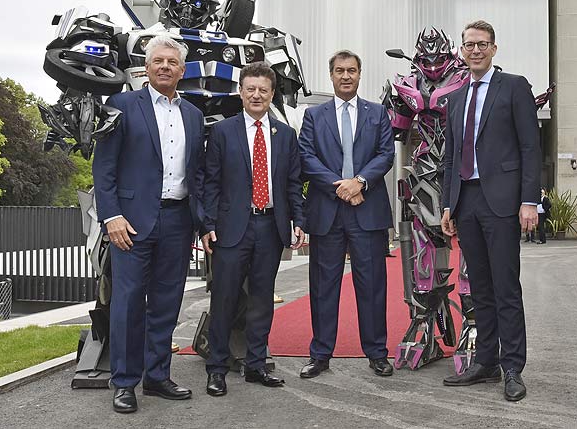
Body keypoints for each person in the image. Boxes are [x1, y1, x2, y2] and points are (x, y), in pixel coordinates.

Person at [93, 35, 205, 414]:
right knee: (126, 303)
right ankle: (124, 382)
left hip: (177, 220)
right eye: (158, 60)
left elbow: (197, 173)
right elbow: (104, 166)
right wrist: (111, 216)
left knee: (166, 303)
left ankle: (157, 377)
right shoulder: (122, 105)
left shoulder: (193, 114)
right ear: (146, 66)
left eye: (172, 62)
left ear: (182, 70)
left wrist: (201, 222)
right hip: (131, 222)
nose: (164, 67)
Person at [440, 20, 541, 402]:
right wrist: (449, 203)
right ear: (461, 51)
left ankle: (512, 366)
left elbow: (531, 146)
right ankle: (486, 361)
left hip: (502, 201)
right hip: (467, 201)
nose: (476, 51)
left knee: (505, 287)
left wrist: (529, 200)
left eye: (483, 44)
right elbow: (451, 157)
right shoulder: (455, 97)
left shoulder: (514, 86)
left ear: (494, 49)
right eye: (469, 45)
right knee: (479, 287)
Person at [201, 62, 305, 397]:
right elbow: (210, 183)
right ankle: (216, 368)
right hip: (231, 229)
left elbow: (293, 184)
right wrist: (207, 225)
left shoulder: (285, 135)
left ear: (272, 94)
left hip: (270, 227)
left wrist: (299, 221)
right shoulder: (222, 132)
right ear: (241, 92)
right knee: (225, 299)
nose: (257, 95)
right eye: (250, 89)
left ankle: (256, 364)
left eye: (263, 90)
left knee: (262, 300)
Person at [298, 49, 395, 378]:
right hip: (328, 212)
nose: (345, 76)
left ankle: (377, 353)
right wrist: (340, 186)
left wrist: (360, 183)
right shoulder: (314, 116)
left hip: (367, 212)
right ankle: (320, 354)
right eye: (339, 70)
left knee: (372, 287)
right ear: (331, 75)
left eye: (351, 70)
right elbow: (306, 157)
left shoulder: (378, 113)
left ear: (359, 73)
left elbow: (385, 155)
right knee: (324, 287)